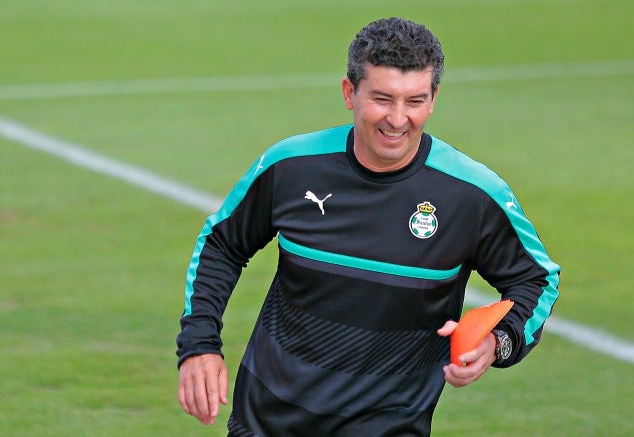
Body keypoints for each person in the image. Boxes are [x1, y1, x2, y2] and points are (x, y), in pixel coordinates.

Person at [176, 17, 560, 436]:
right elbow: (223, 244)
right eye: (382, 98)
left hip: (388, 426)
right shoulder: (291, 166)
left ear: (433, 100)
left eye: (415, 101)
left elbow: (537, 280)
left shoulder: (472, 194)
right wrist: (199, 346)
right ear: (349, 93)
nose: (397, 119)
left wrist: (498, 342)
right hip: (268, 420)